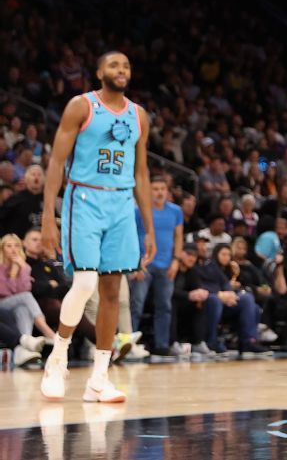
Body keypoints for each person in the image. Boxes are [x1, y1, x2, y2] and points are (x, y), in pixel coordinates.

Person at [40, 51, 157, 402]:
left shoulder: (139, 116)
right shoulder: (81, 106)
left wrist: (148, 227)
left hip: (122, 204)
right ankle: (57, 359)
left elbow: (141, 173)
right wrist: (48, 215)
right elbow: (57, 161)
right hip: (85, 199)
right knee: (86, 281)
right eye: (114, 65)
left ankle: (99, 379)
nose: (121, 70)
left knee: (111, 291)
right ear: (99, 71)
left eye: (126, 66)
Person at [128, 175, 184, 356]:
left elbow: (178, 236)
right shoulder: (139, 211)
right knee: (136, 305)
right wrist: (136, 263)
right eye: (155, 189)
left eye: (162, 189)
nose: (159, 192)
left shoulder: (176, 211)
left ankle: (161, 345)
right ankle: (128, 344)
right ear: (148, 191)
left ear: (167, 191)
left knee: (164, 306)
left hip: (167, 264)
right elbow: (130, 236)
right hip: (144, 264)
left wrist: (176, 260)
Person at [1, 232, 58, 350]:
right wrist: (12, 275)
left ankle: (24, 349)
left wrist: (23, 269)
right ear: (2, 248)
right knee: (26, 297)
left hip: (16, 303)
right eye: (9, 246)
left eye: (16, 246)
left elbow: (25, 288)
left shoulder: (24, 266)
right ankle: (47, 331)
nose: (13, 249)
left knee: (22, 309)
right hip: (2, 303)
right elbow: (6, 292)